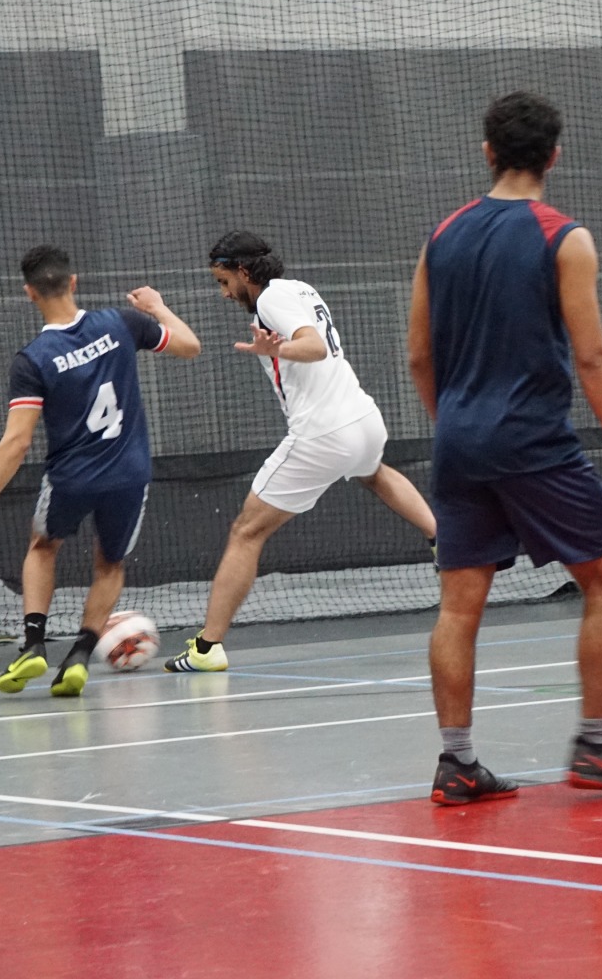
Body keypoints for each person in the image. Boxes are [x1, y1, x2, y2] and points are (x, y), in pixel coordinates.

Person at [408, 90, 602, 804]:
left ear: (488, 151)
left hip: (457, 442)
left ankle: (457, 763)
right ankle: (595, 747)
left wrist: (453, 421)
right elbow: (594, 356)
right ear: (554, 155)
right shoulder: (562, 237)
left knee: (459, 606)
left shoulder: (442, 234)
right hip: (534, 442)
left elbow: (419, 354)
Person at [163, 232, 436, 673]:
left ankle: (207, 647)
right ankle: (442, 540)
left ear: (244, 273)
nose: (223, 292)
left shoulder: (270, 299)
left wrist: (279, 348)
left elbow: (314, 345)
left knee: (246, 532)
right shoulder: (300, 289)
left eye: (223, 281)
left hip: (323, 435)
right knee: (374, 472)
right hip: (365, 421)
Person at [0, 246, 200, 695]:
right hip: (129, 473)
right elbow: (190, 346)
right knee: (110, 563)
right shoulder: (123, 323)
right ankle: (81, 653)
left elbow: (17, 441)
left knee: (43, 546)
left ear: (29, 293)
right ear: (73, 282)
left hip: (71, 478)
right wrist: (158, 307)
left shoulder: (34, 359)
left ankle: (33, 645)